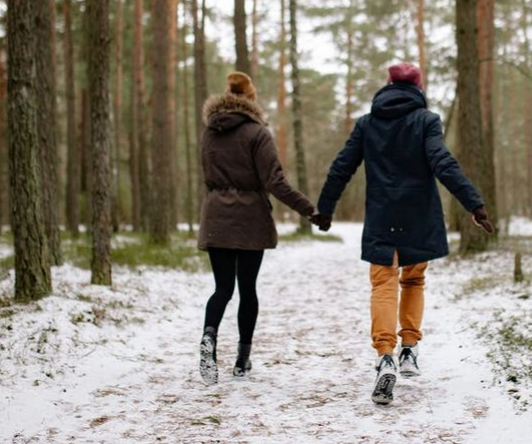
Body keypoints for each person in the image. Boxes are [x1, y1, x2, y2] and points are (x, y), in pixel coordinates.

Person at [312, 63, 494, 405]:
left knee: (383, 283)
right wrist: (474, 204)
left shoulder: (367, 124)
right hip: (418, 214)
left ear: (388, 85)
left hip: (382, 215)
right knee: (413, 281)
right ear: (419, 86)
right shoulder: (427, 120)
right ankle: (409, 348)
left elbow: (342, 167)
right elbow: (443, 162)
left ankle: (385, 355)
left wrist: (325, 209)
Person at [197, 72, 315, 385]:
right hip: (249, 220)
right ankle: (241, 360)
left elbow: (208, 174)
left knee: (222, 288)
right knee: (247, 290)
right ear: (251, 97)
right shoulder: (257, 133)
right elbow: (275, 182)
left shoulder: (209, 132)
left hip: (217, 217)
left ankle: (209, 337)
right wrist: (310, 210)